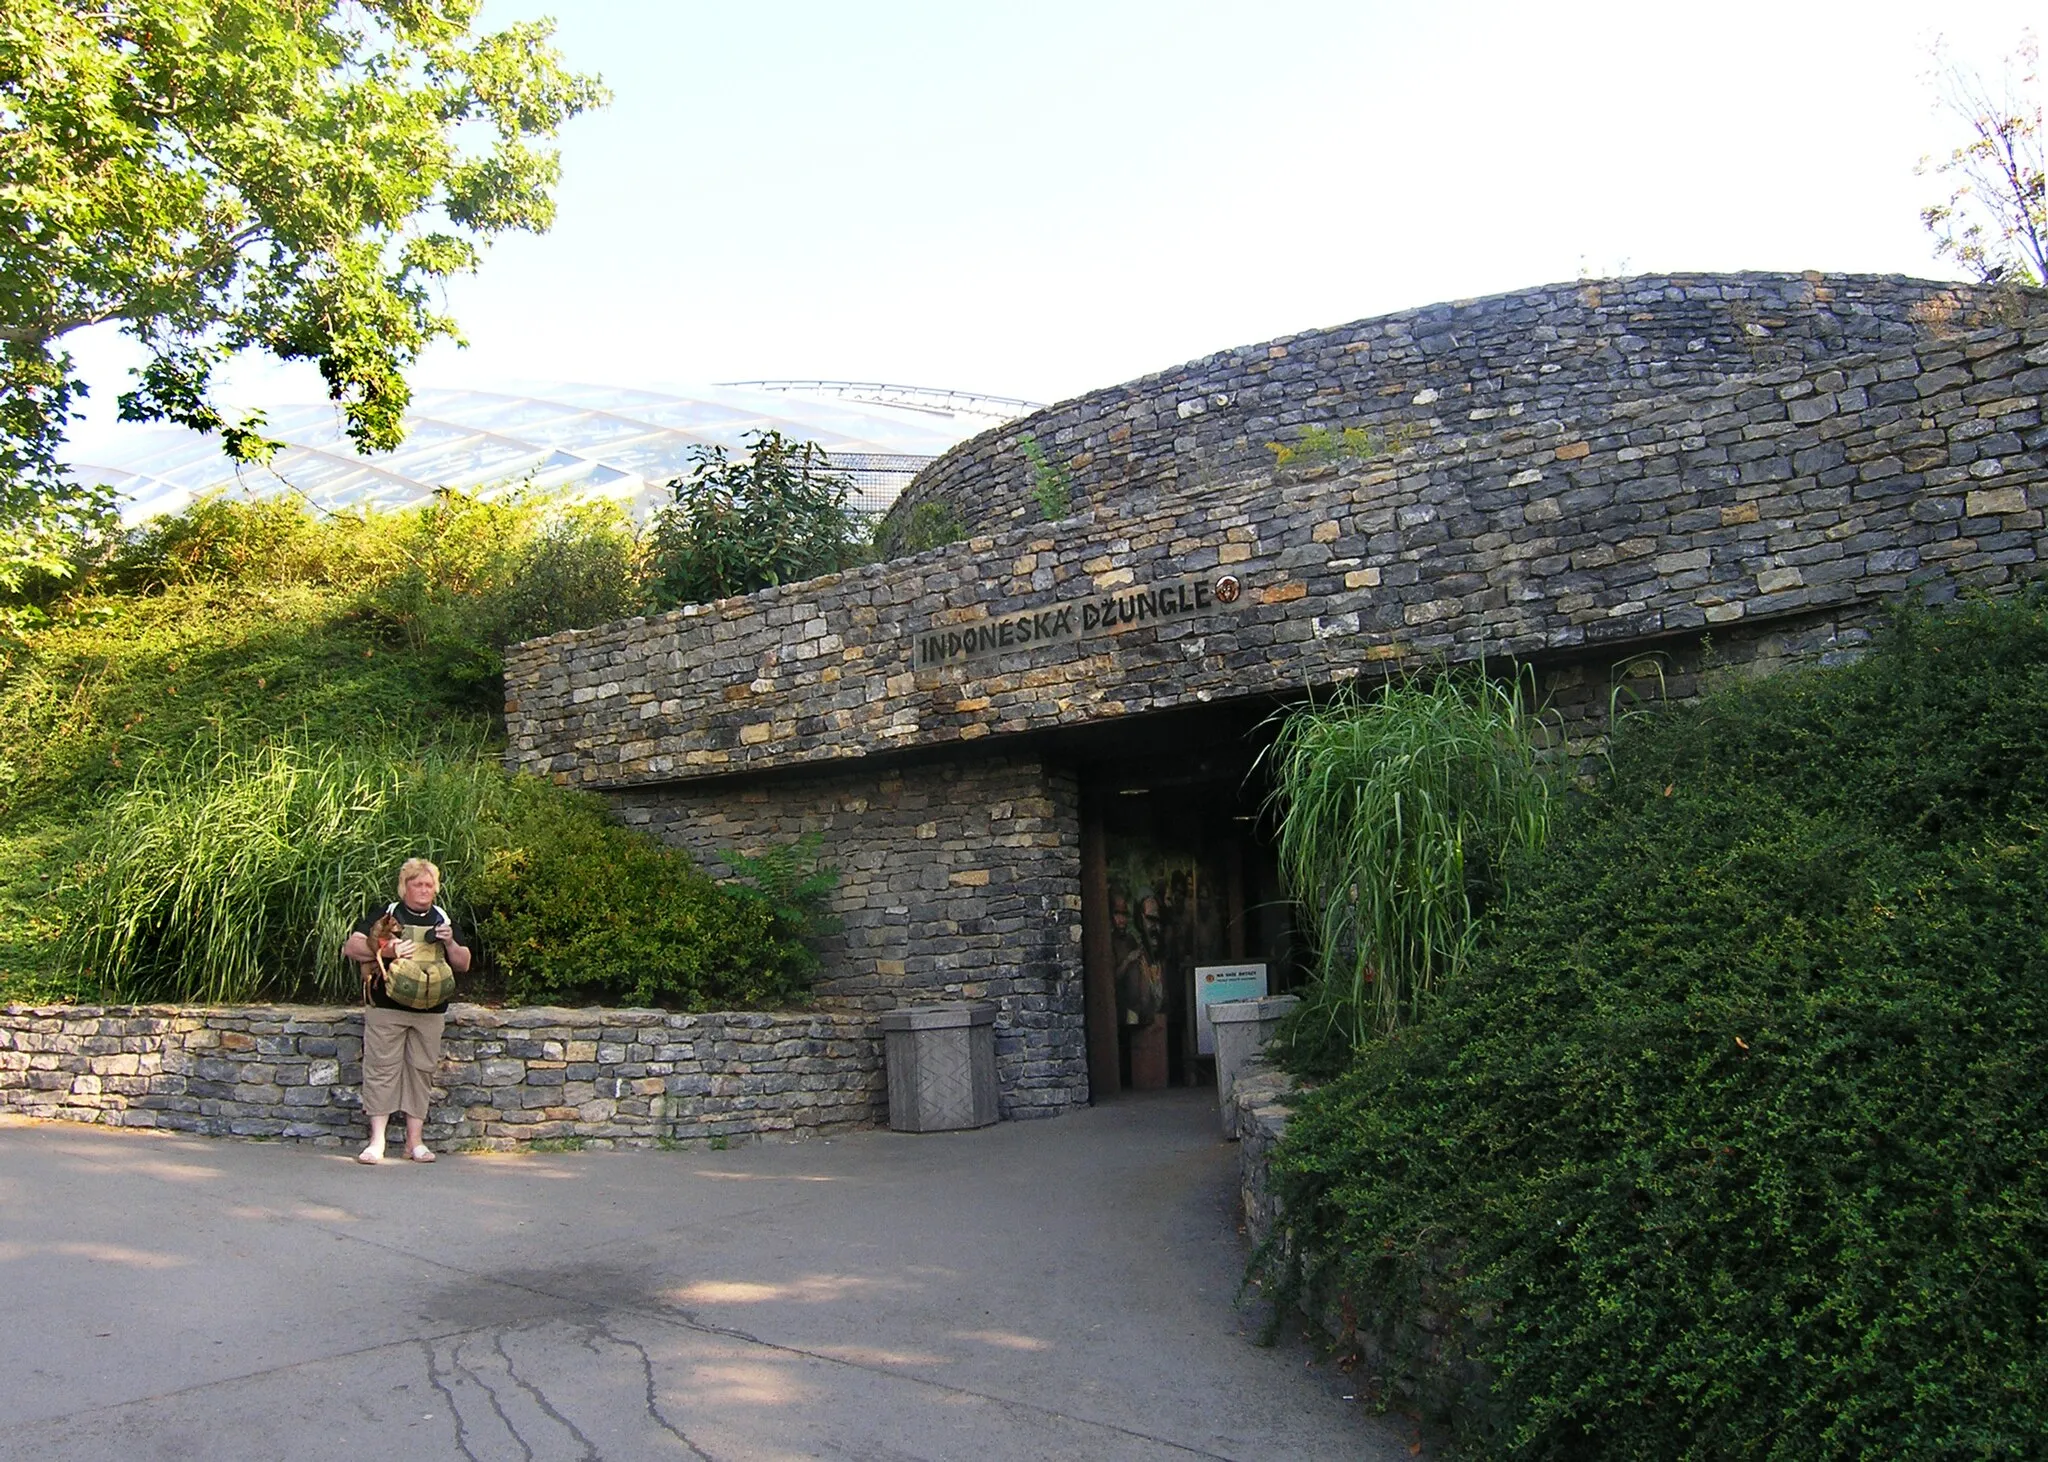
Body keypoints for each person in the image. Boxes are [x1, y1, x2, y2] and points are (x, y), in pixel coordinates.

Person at [340, 857, 471, 1165]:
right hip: (387, 1007)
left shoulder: (443, 919)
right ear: (405, 887)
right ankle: (377, 1141)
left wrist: (451, 943)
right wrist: (386, 949)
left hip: (431, 1010)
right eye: (417, 884)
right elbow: (352, 947)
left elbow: (464, 963)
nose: (424, 890)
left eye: (429, 885)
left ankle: (415, 1143)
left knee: (421, 1072)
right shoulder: (386, 915)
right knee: (381, 1069)